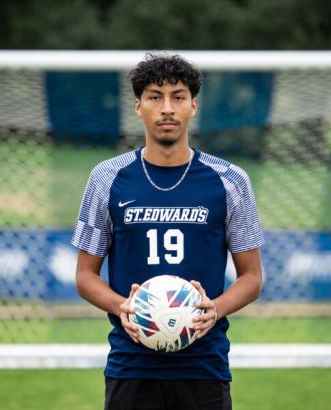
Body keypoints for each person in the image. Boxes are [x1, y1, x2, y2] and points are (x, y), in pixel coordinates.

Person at [72, 53, 264, 410]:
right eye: (154, 97)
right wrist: (123, 306)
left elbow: (252, 278)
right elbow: (85, 276)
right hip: (131, 367)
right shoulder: (106, 178)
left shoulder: (230, 180)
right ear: (138, 106)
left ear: (193, 105)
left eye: (177, 97)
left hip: (204, 367)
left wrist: (215, 309)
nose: (167, 108)